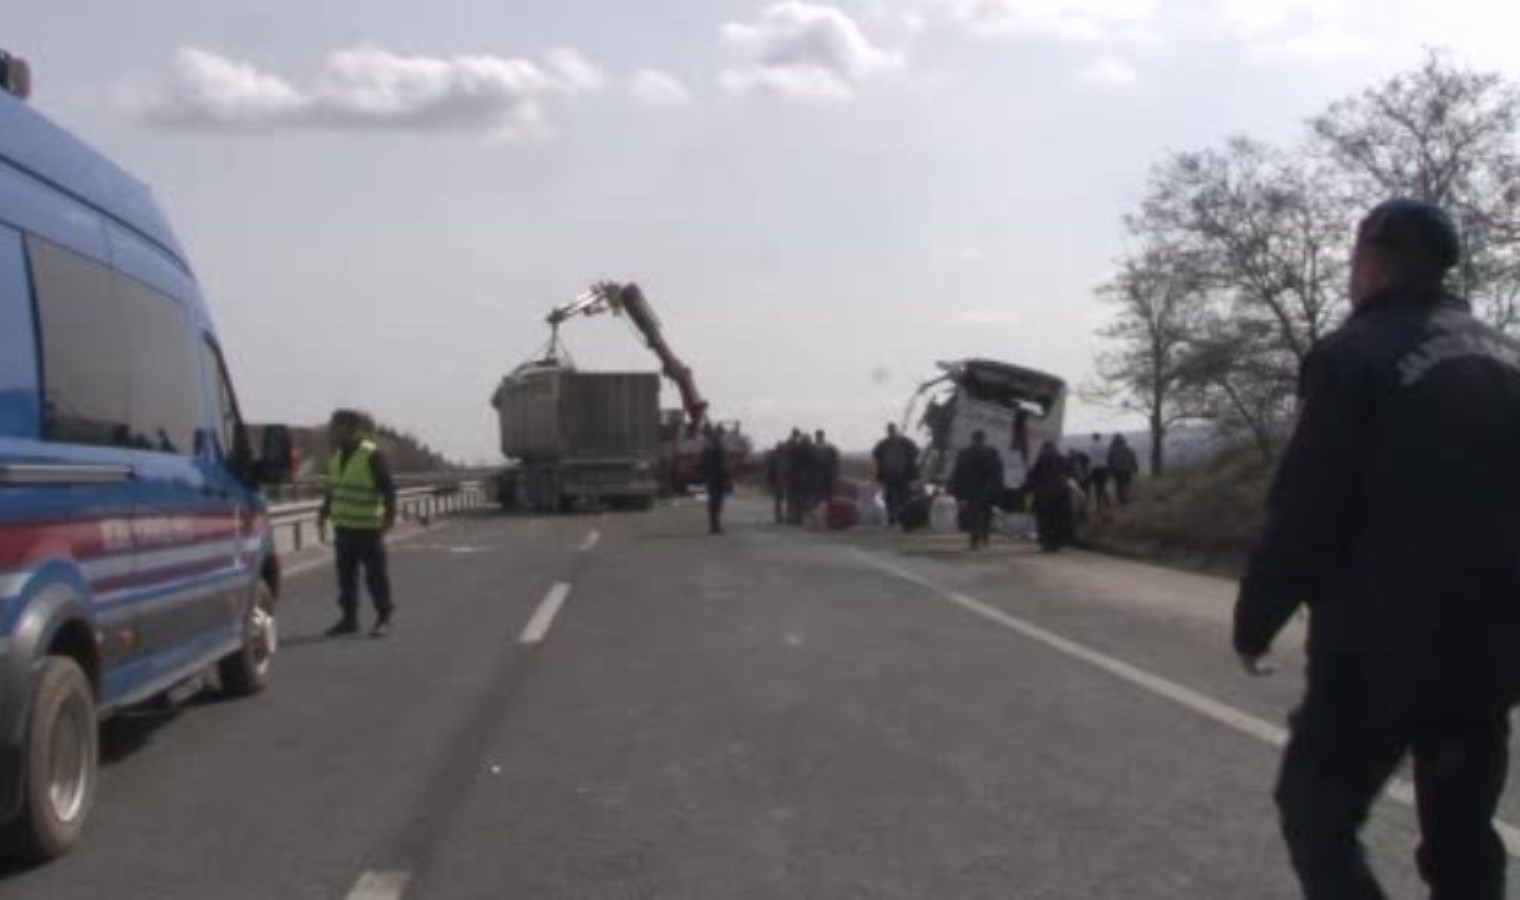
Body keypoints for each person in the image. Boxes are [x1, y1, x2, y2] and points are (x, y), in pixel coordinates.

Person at [1235, 198, 1520, 900]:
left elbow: (1306, 507)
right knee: (1461, 837)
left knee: (1316, 812)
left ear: (1370, 258)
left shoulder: (1352, 355)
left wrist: (1256, 618)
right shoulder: (1509, 360)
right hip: (1488, 650)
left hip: (1378, 652)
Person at [319, 409, 398, 638]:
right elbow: (333, 487)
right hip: (344, 528)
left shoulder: (372, 454)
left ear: (350, 428)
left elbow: (388, 489)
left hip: (369, 529)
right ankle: (349, 618)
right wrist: (324, 511)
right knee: (346, 578)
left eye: (336, 426)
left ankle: (384, 617)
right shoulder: (337, 456)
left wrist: (389, 518)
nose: (332, 431)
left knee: (375, 576)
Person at [949, 430, 1004, 550]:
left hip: (973, 489)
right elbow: (997, 472)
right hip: (985, 489)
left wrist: (956, 490)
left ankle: (978, 538)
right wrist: (997, 488)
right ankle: (981, 537)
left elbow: (957, 473)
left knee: (978, 514)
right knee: (982, 514)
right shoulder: (990, 452)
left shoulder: (964, 453)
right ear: (983, 439)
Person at [1028, 441, 1074, 553]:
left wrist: (1028, 482)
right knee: (1059, 519)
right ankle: (1057, 542)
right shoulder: (1062, 458)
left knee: (1046, 519)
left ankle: (1047, 544)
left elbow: (1034, 474)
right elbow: (1071, 472)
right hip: (1062, 493)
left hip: (1046, 494)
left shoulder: (1042, 457)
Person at [873, 423, 920, 528]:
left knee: (904, 498)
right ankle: (892, 519)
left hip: (903, 475)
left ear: (896, 431)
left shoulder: (906, 443)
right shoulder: (883, 444)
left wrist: (909, 464)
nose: (891, 433)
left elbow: (916, 452)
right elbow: (876, 454)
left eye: (892, 430)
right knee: (889, 498)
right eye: (890, 431)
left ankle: (905, 519)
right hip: (889, 475)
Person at [700, 426, 732, 535]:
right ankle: (715, 526)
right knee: (717, 503)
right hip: (718, 479)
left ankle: (713, 525)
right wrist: (727, 479)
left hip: (711, 479)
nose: (722, 436)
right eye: (721, 434)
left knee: (713, 503)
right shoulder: (719, 447)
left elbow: (702, 464)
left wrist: (705, 476)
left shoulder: (707, 448)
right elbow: (723, 465)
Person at [784, 429, 813, 524]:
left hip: (794, 476)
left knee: (793, 498)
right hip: (804, 477)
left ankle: (792, 518)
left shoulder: (795, 447)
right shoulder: (809, 449)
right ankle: (798, 518)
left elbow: (791, 462)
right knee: (801, 499)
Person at [1107, 434, 1139, 506]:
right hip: (1126, 469)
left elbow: (1109, 459)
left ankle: (1120, 498)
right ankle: (1125, 497)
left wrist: (1109, 469)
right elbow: (1133, 458)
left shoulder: (1111, 449)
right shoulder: (1128, 448)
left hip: (1116, 469)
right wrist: (1135, 467)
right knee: (1127, 483)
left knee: (1118, 484)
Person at [814, 429, 840, 507]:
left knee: (819, 496)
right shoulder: (829, 446)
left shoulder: (814, 447)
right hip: (826, 475)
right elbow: (835, 460)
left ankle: (821, 511)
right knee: (827, 495)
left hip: (819, 476)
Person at [1087, 433, 1111, 511]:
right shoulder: (1104, 445)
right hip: (1103, 467)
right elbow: (1107, 456)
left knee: (1096, 486)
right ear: (1099, 438)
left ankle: (1098, 504)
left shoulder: (1090, 446)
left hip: (1094, 468)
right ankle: (1106, 501)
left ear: (1093, 438)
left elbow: (1088, 457)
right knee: (1103, 485)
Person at [765, 440, 786, 524]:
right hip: (777, 479)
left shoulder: (779, 455)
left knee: (779, 499)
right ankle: (778, 516)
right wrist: (770, 479)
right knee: (778, 499)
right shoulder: (776, 455)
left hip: (781, 479)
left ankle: (779, 516)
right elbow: (770, 468)